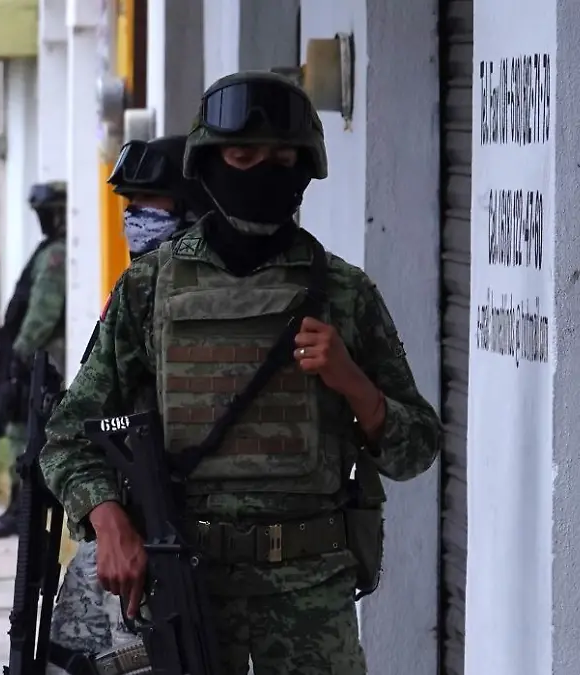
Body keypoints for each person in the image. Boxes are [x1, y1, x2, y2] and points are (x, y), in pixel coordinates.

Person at [38, 71, 444, 674]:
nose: (262, 171)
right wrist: (108, 518)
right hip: (187, 588)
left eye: (281, 158)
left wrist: (353, 382)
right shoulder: (149, 289)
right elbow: (68, 436)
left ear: (305, 167)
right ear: (209, 163)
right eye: (243, 156)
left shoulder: (344, 292)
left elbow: (417, 449)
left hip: (311, 598)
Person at [45, 134, 210, 665]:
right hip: (132, 539)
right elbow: (71, 430)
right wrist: (106, 516)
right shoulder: (136, 294)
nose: (135, 217)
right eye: (130, 203)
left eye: (149, 202)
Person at [0, 182, 67, 540]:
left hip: (40, 359)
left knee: (24, 433)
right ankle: (20, 506)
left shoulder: (56, 254)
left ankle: (23, 509)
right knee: (20, 427)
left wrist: (20, 350)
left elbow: (44, 311)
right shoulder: (47, 250)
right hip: (32, 356)